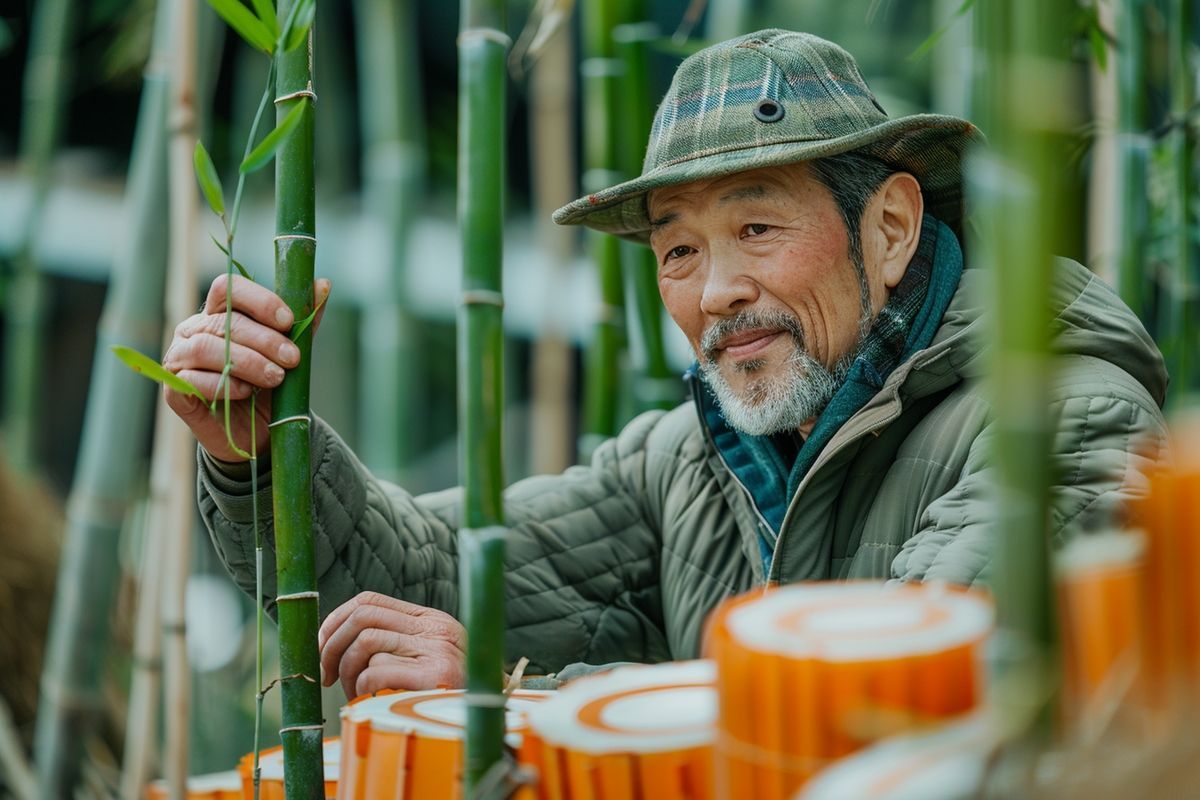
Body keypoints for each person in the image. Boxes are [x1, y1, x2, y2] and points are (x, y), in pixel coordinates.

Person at [164, 30, 1168, 698]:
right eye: (678, 249)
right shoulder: (692, 460)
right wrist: (264, 453)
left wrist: (515, 703)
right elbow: (439, 578)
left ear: (892, 227)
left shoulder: (1062, 420)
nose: (715, 290)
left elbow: (882, 698)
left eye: (759, 225)